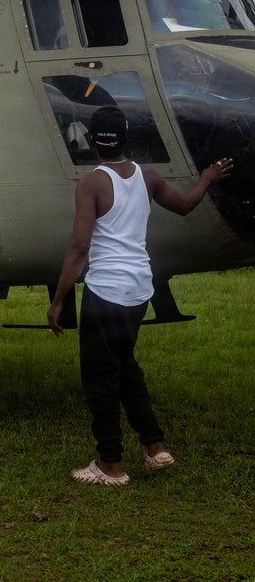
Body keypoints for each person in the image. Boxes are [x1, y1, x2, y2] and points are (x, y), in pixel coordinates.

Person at [47, 106, 233, 487]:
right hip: (137, 292)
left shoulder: (91, 183)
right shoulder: (147, 177)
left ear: (91, 140)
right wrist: (206, 178)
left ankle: (110, 464)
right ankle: (154, 446)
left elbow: (80, 247)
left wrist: (58, 300)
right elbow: (184, 206)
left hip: (105, 292)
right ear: (126, 137)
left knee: (100, 378)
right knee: (126, 368)